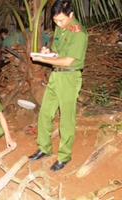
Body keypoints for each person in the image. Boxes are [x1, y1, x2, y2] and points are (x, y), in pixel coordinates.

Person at [28, 0, 88, 172]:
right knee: (45, 112)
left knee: (66, 118)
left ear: (71, 15)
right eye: (55, 21)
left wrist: (43, 59)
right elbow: (58, 52)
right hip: (56, 75)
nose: (58, 23)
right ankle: (44, 148)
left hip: (69, 77)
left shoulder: (79, 34)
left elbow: (69, 61)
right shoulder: (59, 29)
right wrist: (48, 52)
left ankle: (64, 156)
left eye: (61, 20)